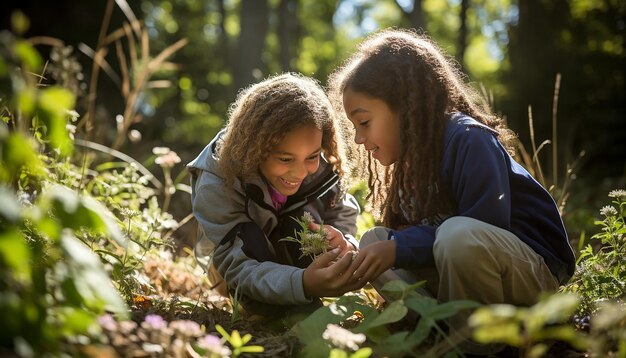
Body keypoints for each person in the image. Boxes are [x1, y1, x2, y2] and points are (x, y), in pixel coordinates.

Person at [328, 29, 576, 355]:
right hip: (463, 276)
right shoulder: (408, 166)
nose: (358, 139)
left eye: (364, 122)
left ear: (405, 106)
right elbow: (412, 239)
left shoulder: (468, 138)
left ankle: (473, 347)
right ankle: (434, 325)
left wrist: (400, 246)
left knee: (457, 234)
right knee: (374, 240)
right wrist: (360, 256)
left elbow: (487, 225)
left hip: (526, 275)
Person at [188, 73, 362, 314]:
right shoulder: (217, 182)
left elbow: (342, 210)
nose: (301, 172)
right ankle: (279, 314)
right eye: (285, 158)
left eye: (311, 157)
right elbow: (236, 267)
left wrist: (345, 244)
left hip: (296, 264)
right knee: (254, 237)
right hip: (237, 271)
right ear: (255, 149)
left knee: (299, 222)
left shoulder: (321, 164)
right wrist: (301, 283)